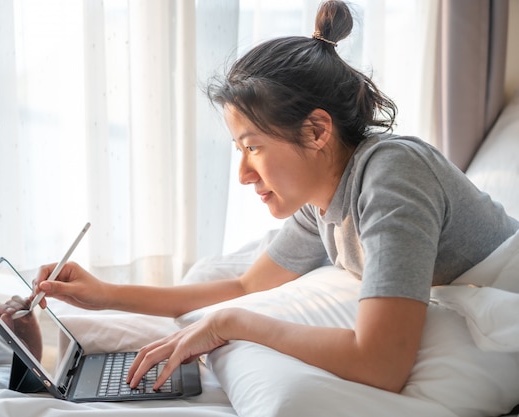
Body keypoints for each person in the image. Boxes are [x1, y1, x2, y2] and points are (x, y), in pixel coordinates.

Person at [30, 0, 519, 395]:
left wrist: (234, 326)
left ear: (316, 130)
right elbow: (245, 287)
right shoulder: (324, 198)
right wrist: (103, 295)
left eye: (253, 147)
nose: (243, 173)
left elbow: (381, 365)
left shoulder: (392, 177)